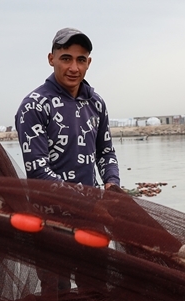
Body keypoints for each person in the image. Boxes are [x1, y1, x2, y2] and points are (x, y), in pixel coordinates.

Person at [15, 28, 120, 190]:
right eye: (66, 59)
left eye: (81, 60)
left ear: (88, 63)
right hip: (50, 211)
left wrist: (112, 184)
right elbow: (38, 171)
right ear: (51, 59)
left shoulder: (96, 103)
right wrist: (83, 200)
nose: (74, 68)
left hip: (93, 206)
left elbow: (105, 153)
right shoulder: (34, 106)